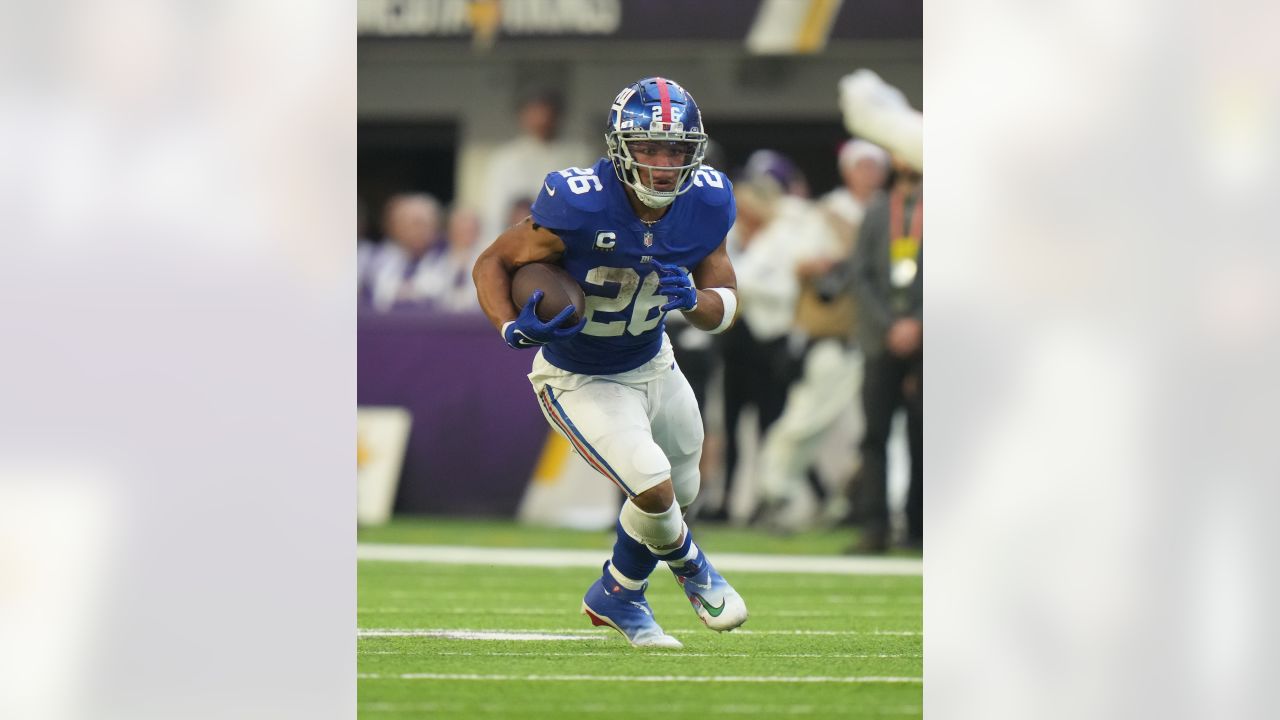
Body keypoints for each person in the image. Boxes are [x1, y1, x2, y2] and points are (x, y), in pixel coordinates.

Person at [472, 77, 748, 648]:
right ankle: (693, 566)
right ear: (620, 146)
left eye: (675, 148)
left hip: (654, 360)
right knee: (651, 485)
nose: (664, 162)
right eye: (648, 146)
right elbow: (491, 263)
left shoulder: (708, 200)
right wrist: (509, 324)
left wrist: (696, 302)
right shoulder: (577, 200)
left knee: (685, 485)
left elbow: (727, 304)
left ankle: (618, 591)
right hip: (580, 373)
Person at [753, 139, 890, 531]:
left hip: (882, 337)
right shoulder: (829, 213)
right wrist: (842, 262)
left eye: (874, 166)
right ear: (848, 171)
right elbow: (799, 264)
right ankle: (774, 491)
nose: (869, 174)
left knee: (884, 432)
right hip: (838, 336)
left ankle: (882, 506)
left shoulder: (894, 211)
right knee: (806, 419)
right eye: (862, 166)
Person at [849, 152, 923, 552]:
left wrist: (920, 322)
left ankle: (918, 527)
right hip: (881, 338)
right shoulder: (879, 210)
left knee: (924, 434)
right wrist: (889, 324)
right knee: (874, 435)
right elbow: (859, 273)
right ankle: (874, 526)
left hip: (927, 340)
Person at [479, 87, 593, 244]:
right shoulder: (505, 159)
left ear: (558, 114)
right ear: (523, 115)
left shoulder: (579, 155)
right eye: (534, 111)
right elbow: (494, 215)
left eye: (546, 111)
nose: (541, 118)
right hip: (518, 247)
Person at [360, 192, 444, 311]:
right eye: (413, 224)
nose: (419, 231)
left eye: (424, 224)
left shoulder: (448, 260)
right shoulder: (374, 261)